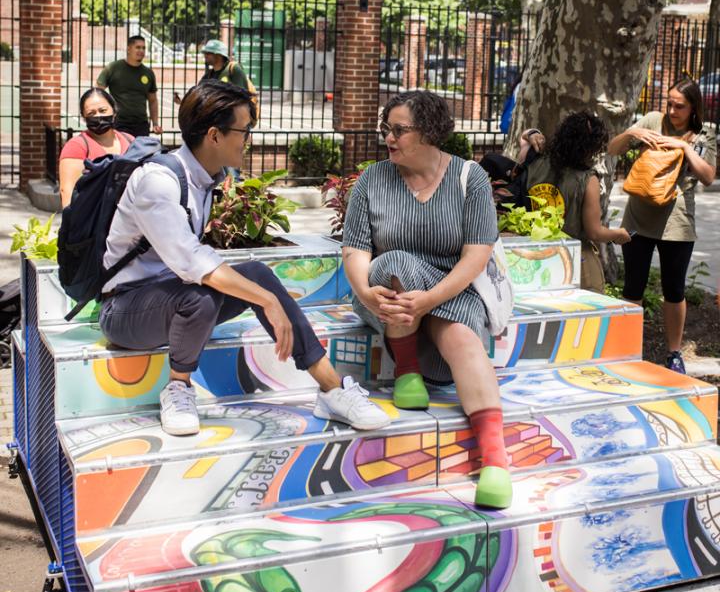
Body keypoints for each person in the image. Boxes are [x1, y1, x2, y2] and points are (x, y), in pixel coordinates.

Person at [99, 80, 389, 437]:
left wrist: (263, 292)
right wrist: (267, 302)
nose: (248, 140)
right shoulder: (158, 181)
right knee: (203, 293)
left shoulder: (203, 179)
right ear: (214, 135)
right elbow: (191, 261)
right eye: (244, 131)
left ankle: (331, 389)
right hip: (126, 312)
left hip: (171, 299)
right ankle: (178, 387)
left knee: (256, 273)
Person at [342, 90, 512, 510]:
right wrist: (364, 291)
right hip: (388, 294)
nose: (389, 138)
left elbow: (477, 254)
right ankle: (407, 370)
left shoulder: (469, 178)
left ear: (430, 132)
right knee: (394, 264)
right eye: (387, 129)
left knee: (463, 340)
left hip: (451, 287)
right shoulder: (372, 180)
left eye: (399, 130)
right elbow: (356, 251)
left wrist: (429, 301)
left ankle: (495, 460)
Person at [608, 78, 716, 374]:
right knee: (633, 287)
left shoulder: (704, 135)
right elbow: (613, 148)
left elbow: (707, 176)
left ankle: (673, 353)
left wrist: (682, 146)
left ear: (694, 107)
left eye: (679, 106)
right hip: (638, 219)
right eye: (669, 103)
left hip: (677, 224)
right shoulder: (653, 120)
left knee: (674, 290)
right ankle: (625, 350)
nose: (672, 110)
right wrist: (632, 132)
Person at [518, 113, 632, 293]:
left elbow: (524, 136)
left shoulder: (533, 159)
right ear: (590, 148)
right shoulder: (587, 180)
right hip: (574, 260)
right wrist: (618, 234)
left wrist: (533, 133)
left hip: (532, 255)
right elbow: (594, 232)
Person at [58, 88, 134, 207]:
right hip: (94, 220)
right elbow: (67, 192)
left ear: (114, 111)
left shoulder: (130, 141)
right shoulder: (77, 147)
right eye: (91, 113)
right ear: (84, 117)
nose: (98, 116)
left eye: (103, 110)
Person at [97, 35, 162, 137]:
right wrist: (105, 116)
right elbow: (98, 93)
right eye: (138, 47)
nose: (141, 51)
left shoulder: (148, 73)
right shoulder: (113, 68)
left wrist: (155, 123)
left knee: (141, 153)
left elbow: (153, 100)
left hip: (141, 125)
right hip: (119, 124)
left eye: (143, 48)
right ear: (128, 49)